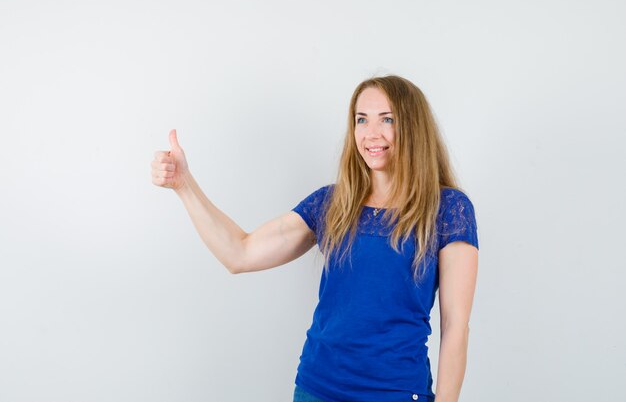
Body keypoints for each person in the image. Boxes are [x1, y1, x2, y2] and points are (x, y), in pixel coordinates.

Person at [151, 75, 479, 402]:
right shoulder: (333, 203)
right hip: (317, 389)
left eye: (387, 119)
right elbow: (240, 253)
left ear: (413, 127)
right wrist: (184, 185)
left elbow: (455, 327)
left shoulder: (448, 209)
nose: (371, 133)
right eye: (361, 119)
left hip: (396, 392)